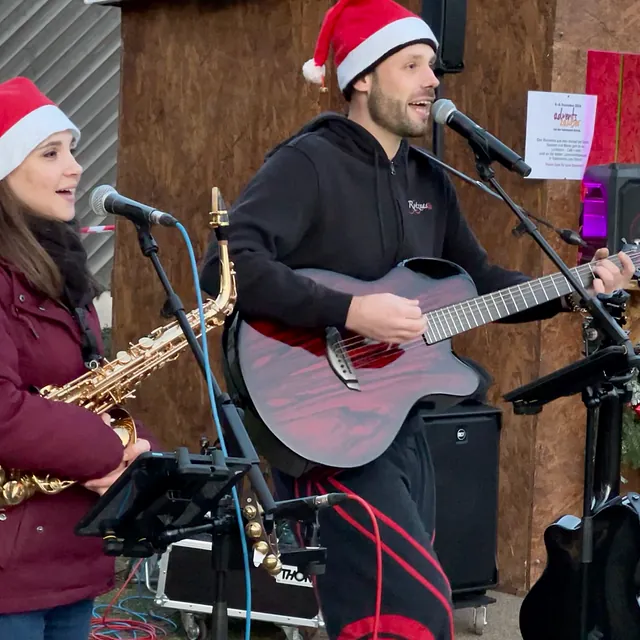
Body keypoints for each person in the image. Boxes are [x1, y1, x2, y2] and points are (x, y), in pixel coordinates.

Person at [200, 1, 635, 638]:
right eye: (411, 65)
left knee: (387, 616)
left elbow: (481, 286)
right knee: (411, 612)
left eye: (433, 65)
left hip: (398, 428)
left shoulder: (432, 177)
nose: (432, 80)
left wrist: (579, 288)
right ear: (361, 79)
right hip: (324, 428)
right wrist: (349, 310)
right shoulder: (309, 163)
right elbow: (226, 265)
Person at [0, 77, 154, 640]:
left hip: (69, 559)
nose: (75, 168)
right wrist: (106, 448)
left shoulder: (60, 271)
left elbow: (93, 391)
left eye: (72, 149)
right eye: (51, 152)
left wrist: (138, 450)